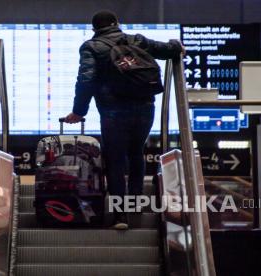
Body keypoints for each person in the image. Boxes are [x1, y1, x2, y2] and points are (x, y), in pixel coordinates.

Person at [64, 10, 184, 229]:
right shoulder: (136, 40)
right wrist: (176, 45)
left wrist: (79, 111)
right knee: (136, 151)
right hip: (145, 106)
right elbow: (167, 50)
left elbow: (86, 80)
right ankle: (136, 202)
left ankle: (121, 216)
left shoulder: (91, 47)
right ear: (117, 24)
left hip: (113, 110)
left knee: (116, 159)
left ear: (94, 29)